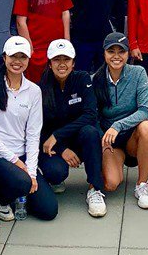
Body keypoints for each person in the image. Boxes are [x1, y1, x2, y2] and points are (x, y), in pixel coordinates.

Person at [0, 36, 58, 222]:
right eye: (13, 56)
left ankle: (18, 188)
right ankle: (0, 197)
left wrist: (32, 171)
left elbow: (33, 134)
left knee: (48, 210)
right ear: (4, 57)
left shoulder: (34, 91)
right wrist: (16, 162)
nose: (17, 62)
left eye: (23, 57)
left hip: (22, 157)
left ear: (29, 60)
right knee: (22, 181)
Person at [38, 39, 107, 216]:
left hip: (79, 138)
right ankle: (54, 179)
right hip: (54, 144)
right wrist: (61, 148)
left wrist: (58, 135)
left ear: (73, 62)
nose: (62, 64)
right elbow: (39, 126)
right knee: (55, 172)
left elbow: (90, 115)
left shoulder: (82, 78)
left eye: (66, 59)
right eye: (57, 59)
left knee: (91, 132)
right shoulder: (41, 87)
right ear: (50, 63)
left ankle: (95, 189)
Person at [94, 32, 148, 207]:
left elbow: (145, 110)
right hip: (110, 140)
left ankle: (142, 185)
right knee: (111, 184)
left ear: (128, 53)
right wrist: (103, 140)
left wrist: (118, 125)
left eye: (121, 51)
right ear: (104, 54)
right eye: (111, 51)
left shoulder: (138, 73)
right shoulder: (95, 80)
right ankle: (113, 163)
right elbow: (93, 117)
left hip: (132, 137)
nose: (116, 56)